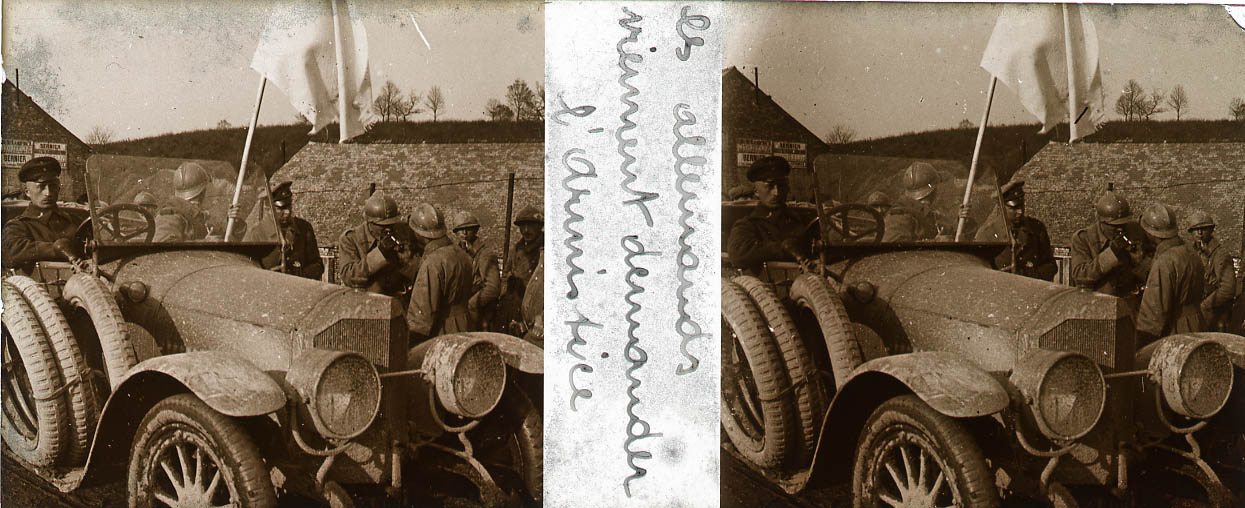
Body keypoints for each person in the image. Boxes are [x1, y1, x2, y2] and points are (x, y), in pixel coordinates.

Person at [726, 155, 814, 275]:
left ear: (788, 188)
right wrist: (782, 248)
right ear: (756, 191)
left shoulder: (803, 220)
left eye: (781, 186)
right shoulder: (747, 225)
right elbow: (737, 254)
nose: (776, 193)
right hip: (765, 290)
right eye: (769, 186)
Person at [1068, 187, 1150, 311]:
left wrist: (1137, 261)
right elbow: (1080, 275)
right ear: (1101, 222)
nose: (1120, 229)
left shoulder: (1134, 231)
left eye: (1123, 224)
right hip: (1098, 307)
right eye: (1114, 226)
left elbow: (1151, 268)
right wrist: (1111, 255)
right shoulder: (1083, 239)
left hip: (1130, 306)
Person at [1135, 204, 1206, 346]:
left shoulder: (1165, 262)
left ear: (1151, 234)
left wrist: (1139, 344)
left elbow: (1152, 317)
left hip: (1175, 332)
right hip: (1198, 325)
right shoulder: (1191, 253)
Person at [406, 204, 474, 342]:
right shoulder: (461, 254)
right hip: (465, 326)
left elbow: (421, 318)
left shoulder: (432, 262)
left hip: (441, 332)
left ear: (419, 234)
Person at [336, 194, 420, 304]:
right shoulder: (351, 239)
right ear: (369, 222)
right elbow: (349, 277)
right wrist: (380, 254)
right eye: (382, 225)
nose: (388, 228)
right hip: (366, 304)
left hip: (399, 302)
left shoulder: (403, 231)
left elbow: (418, 267)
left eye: (391, 224)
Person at [2, 157, 80, 273]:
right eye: (41, 187)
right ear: (27, 192)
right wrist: (55, 249)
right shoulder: (17, 226)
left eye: (52, 186)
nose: (48, 193)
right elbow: (14, 253)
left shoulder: (75, 221)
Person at [975, 180, 1057, 281]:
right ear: (1002, 208)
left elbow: (1050, 266)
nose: (1020, 211)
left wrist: (1030, 277)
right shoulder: (987, 234)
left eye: (1022, 206)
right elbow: (979, 271)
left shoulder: (1036, 228)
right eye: (1014, 208)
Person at [495, 205, 545, 334]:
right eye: (523, 226)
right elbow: (506, 274)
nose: (526, 230)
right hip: (514, 305)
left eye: (531, 226)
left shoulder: (545, 250)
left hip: (535, 311)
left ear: (540, 226)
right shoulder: (517, 248)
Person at [260, 182, 323, 280]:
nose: (288, 212)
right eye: (282, 208)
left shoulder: (304, 228)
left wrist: (298, 276)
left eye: (289, 206)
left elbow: (317, 265)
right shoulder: (257, 233)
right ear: (268, 208)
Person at [1186, 211, 1236, 331]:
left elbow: (1228, 289)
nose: (1199, 233)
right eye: (1195, 229)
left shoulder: (1220, 254)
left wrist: (1205, 306)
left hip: (1214, 311)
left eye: (1204, 228)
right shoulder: (1189, 252)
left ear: (1211, 230)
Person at [882, 162, 958, 242]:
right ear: (933, 191)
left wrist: (961, 220)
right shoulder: (899, 216)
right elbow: (893, 248)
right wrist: (935, 242)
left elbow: (946, 228)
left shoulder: (926, 213)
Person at [452, 211, 501, 331]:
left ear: (475, 231)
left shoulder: (485, 254)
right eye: (460, 229)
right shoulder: (455, 253)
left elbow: (493, 288)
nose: (464, 233)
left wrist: (472, 304)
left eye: (468, 229)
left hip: (479, 313)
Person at [153, 162, 221, 242]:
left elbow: (220, 232)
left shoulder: (195, 215)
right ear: (202, 192)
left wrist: (233, 219)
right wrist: (205, 242)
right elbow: (164, 245)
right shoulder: (169, 215)